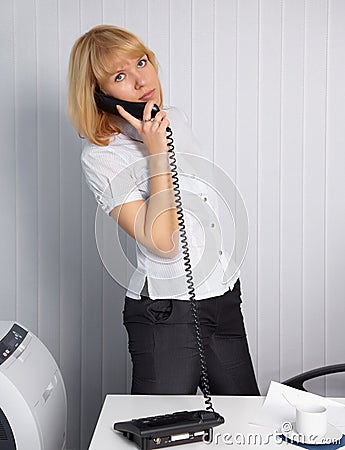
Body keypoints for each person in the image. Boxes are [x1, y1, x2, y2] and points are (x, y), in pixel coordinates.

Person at [67, 24, 260, 396]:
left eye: (142, 62)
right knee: (161, 429)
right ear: (98, 94)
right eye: (120, 76)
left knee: (244, 417)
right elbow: (163, 241)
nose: (142, 81)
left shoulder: (176, 119)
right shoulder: (101, 157)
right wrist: (157, 153)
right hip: (165, 314)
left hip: (222, 297)